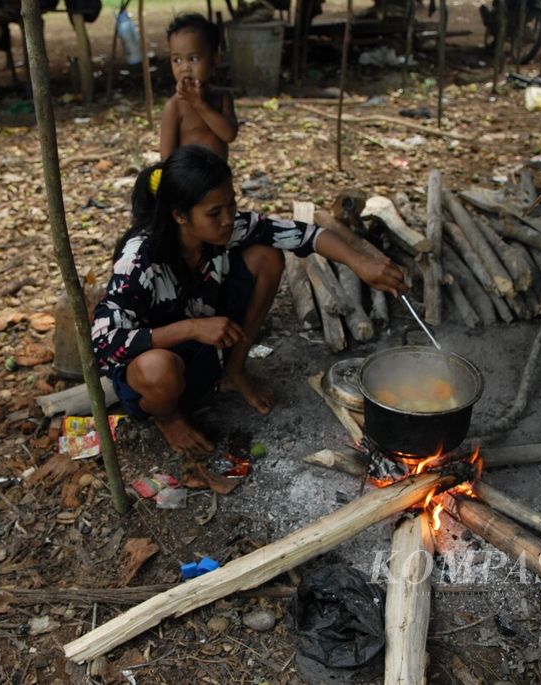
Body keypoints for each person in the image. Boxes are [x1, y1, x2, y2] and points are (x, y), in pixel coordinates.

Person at [92, 146, 407, 455]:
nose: (228, 219)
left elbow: (305, 235)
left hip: (204, 350)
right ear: (179, 216)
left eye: (231, 205)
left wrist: (359, 262)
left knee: (267, 257)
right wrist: (191, 328)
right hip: (156, 371)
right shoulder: (139, 259)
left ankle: (233, 371)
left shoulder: (226, 229)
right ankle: (169, 418)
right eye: (214, 212)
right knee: (158, 368)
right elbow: (105, 344)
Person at [159, 13, 238, 161]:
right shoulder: (174, 107)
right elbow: (166, 159)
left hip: (220, 180)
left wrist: (199, 104)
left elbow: (229, 134)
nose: (184, 68)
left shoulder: (222, 98)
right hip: (189, 182)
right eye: (177, 60)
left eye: (193, 59)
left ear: (214, 60)